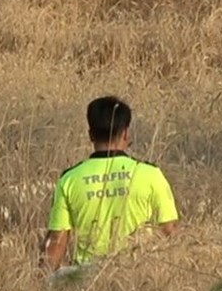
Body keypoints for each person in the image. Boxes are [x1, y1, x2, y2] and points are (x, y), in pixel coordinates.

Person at [39, 96, 179, 270]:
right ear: (126, 133)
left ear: (91, 135)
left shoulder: (69, 179)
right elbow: (170, 232)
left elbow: (56, 242)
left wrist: (42, 283)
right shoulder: (150, 174)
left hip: (87, 282)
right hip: (139, 274)